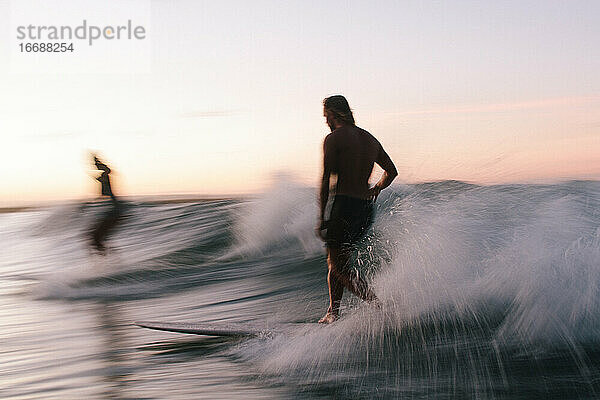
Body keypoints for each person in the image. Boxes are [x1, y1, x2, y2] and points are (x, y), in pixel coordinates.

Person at [316, 95, 398, 324]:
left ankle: (380, 307)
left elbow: (326, 180)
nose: (326, 122)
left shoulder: (334, 139)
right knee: (337, 261)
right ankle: (333, 312)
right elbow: (392, 171)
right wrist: (376, 189)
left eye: (326, 116)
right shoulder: (370, 139)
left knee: (339, 267)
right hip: (364, 209)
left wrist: (322, 217)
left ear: (332, 113)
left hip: (344, 206)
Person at [90, 155, 122, 254]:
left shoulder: (105, 175)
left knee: (96, 238)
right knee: (95, 239)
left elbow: (108, 171)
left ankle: (112, 259)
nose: (95, 167)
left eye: (96, 165)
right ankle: (109, 259)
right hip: (110, 208)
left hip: (113, 209)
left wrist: (98, 163)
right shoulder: (104, 176)